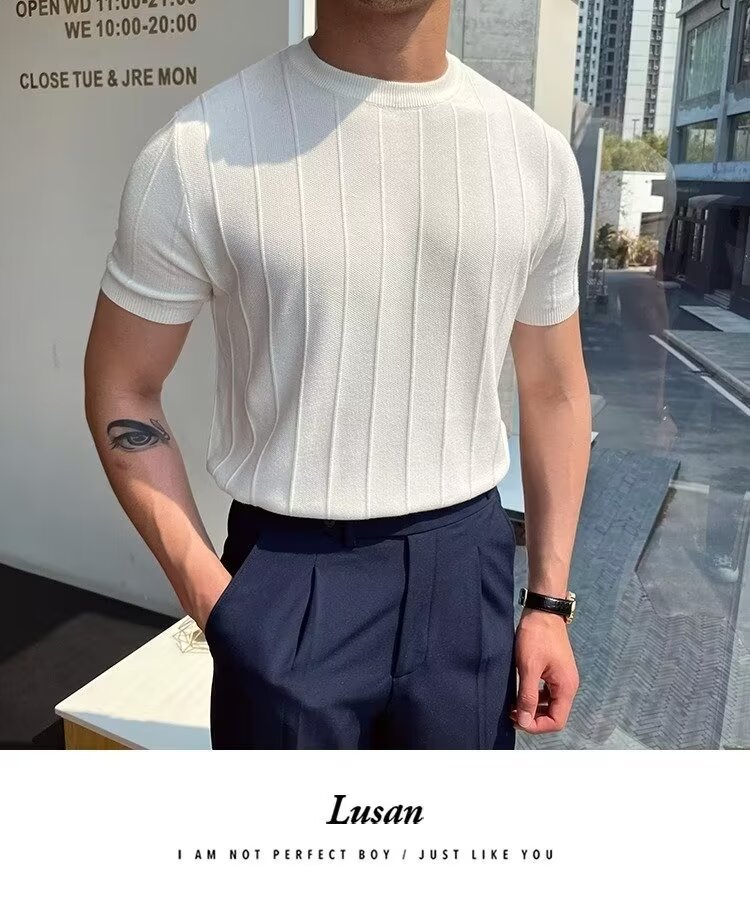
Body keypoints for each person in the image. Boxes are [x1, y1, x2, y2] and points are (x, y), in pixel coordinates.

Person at [83, 0, 591, 749]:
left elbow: (555, 388)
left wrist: (548, 601)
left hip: (467, 570)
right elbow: (121, 386)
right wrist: (218, 602)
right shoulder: (193, 154)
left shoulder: (534, 156)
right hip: (288, 573)